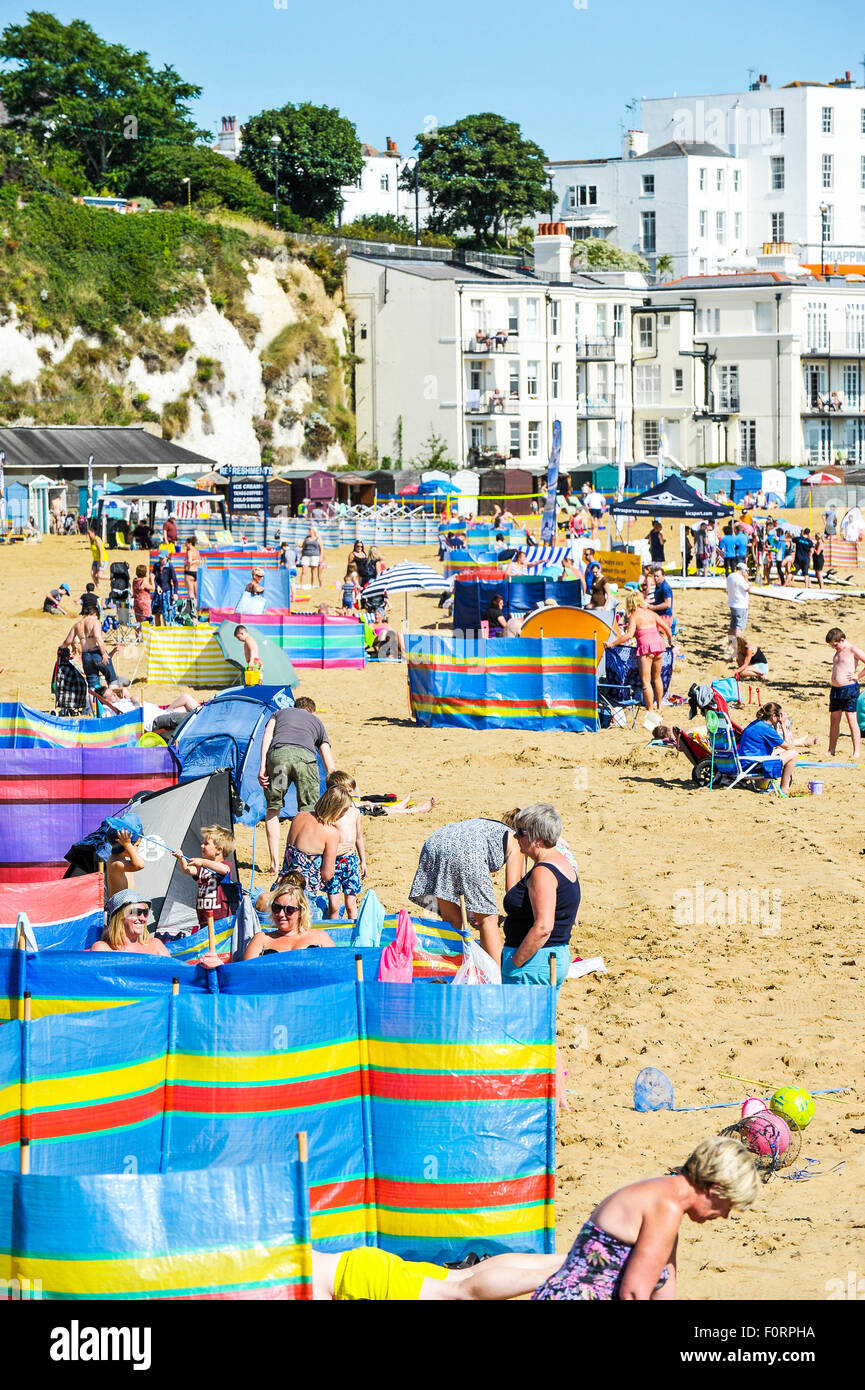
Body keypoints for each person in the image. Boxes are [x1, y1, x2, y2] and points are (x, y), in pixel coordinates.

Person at [532, 1136, 760, 1301]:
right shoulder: (666, 1207)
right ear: (714, 1189)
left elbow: (664, 1289)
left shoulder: (667, 1203)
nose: (725, 1215)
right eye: (729, 1205)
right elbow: (633, 1293)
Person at [409, 817, 520, 964]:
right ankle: (498, 977)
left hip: (435, 842)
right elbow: (513, 889)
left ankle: (451, 966)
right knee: (488, 920)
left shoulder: (486, 826)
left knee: (452, 919)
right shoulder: (518, 841)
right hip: (468, 852)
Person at [499, 803, 578, 989]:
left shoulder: (543, 872)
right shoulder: (562, 862)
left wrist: (514, 962)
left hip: (533, 964)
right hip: (549, 958)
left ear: (537, 838)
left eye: (520, 832)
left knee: (520, 1018)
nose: (515, 836)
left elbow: (543, 927)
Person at [312, 1246, 561, 1302]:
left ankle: (570, 1272)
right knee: (465, 1276)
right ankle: (576, 1259)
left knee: (461, 1292)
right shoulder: (274, 1243)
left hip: (354, 1280)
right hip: (354, 1263)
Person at [258, 696, 336, 873]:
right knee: (308, 811)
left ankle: (274, 863)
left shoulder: (278, 713)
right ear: (312, 711)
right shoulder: (316, 722)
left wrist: (262, 766)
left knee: (273, 808)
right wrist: (333, 780)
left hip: (279, 758)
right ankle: (303, 859)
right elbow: (327, 759)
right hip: (305, 761)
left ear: (294, 707)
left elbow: (267, 736)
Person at [92, 889, 220, 967]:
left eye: (145, 913)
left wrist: (203, 966)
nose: (142, 918)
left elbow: (177, 974)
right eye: (136, 912)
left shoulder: (155, 945)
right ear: (120, 917)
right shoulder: (103, 948)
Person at [606, 591, 671, 712]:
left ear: (630, 604)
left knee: (646, 681)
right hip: (659, 646)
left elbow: (629, 635)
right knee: (657, 678)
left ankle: (650, 709)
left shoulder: (634, 616)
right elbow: (666, 628)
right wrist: (670, 641)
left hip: (646, 648)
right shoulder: (651, 613)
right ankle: (660, 706)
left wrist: (612, 643)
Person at [280, 787, 347, 898]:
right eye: (344, 810)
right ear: (338, 810)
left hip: (281, 885)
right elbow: (327, 875)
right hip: (303, 893)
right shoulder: (331, 833)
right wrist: (332, 854)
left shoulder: (299, 816)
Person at [320, 770, 367, 921]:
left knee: (351, 904)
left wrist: (363, 861)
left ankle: (354, 935)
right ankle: (333, 934)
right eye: (345, 791)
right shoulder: (330, 815)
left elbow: (359, 837)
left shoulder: (354, 812)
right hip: (333, 861)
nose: (349, 795)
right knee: (334, 905)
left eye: (351, 791)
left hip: (350, 861)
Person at [243, 884, 335, 958]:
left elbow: (338, 967)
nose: (281, 914)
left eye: (289, 909)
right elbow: (244, 974)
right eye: (277, 908)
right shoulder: (261, 939)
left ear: (301, 912)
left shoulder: (319, 936)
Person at [172, 825, 235, 928]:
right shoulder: (203, 867)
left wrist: (202, 862)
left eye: (206, 843)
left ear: (219, 850)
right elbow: (187, 870)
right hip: (203, 918)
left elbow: (225, 870)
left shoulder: (225, 864)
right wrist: (181, 858)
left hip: (220, 919)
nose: (202, 846)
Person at [737, 702, 799, 792]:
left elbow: (779, 746)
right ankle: (784, 788)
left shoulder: (756, 723)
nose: (780, 719)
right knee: (793, 754)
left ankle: (762, 783)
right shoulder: (766, 729)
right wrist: (783, 725)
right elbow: (789, 747)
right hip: (753, 766)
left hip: (743, 762)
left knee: (781, 751)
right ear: (773, 716)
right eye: (779, 716)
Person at [825, 627, 865, 758]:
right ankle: (831, 750)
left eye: (835, 645)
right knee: (834, 720)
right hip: (836, 690)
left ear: (842, 640)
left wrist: (858, 676)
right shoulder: (838, 651)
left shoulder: (852, 649)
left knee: (851, 720)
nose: (834, 648)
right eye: (832, 646)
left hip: (849, 690)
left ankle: (856, 751)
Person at [61, 610, 118, 691]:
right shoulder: (95, 621)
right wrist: (104, 653)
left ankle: (94, 703)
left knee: (92, 686)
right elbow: (98, 637)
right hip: (96, 652)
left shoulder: (77, 625)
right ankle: (114, 702)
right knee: (112, 680)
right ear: (95, 614)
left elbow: (68, 641)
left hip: (85, 655)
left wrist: (61, 647)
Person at [105, 826, 146, 897]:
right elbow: (140, 865)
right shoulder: (116, 863)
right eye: (137, 845)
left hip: (127, 904)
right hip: (120, 907)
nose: (138, 848)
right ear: (124, 846)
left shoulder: (122, 860)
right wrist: (128, 844)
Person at [725, 563, 750, 654]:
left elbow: (727, 590)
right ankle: (738, 648)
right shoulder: (740, 578)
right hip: (741, 605)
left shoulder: (730, 576)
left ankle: (730, 645)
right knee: (739, 627)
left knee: (733, 626)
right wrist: (746, 579)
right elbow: (748, 588)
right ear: (743, 570)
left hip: (733, 604)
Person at [152, 553, 177, 626]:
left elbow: (175, 580)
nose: (160, 560)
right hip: (158, 593)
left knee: (165, 614)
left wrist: (175, 593)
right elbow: (153, 578)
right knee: (156, 613)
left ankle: (165, 631)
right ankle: (158, 631)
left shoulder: (170, 566)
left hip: (167, 593)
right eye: (159, 558)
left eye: (162, 558)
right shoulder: (156, 565)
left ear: (166, 557)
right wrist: (157, 586)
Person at [299, 524, 325, 589]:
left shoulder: (318, 538)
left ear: (313, 531)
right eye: (309, 529)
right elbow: (303, 546)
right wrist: (301, 555)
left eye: (310, 529)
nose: (309, 531)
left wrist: (321, 557)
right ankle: (301, 585)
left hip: (315, 556)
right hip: (306, 555)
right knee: (304, 571)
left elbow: (321, 548)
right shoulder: (306, 538)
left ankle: (312, 585)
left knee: (313, 571)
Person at [183, 539, 200, 607]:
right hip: (196, 572)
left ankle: (193, 609)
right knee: (196, 593)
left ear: (190, 543)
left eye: (186, 544)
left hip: (189, 572)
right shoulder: (197, 551)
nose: (185, 546)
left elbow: (189, 561)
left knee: (191, 593)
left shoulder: (189, 551)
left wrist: (187, 564)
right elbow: (198, 561)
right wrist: (195, 561)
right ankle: (198, 608)